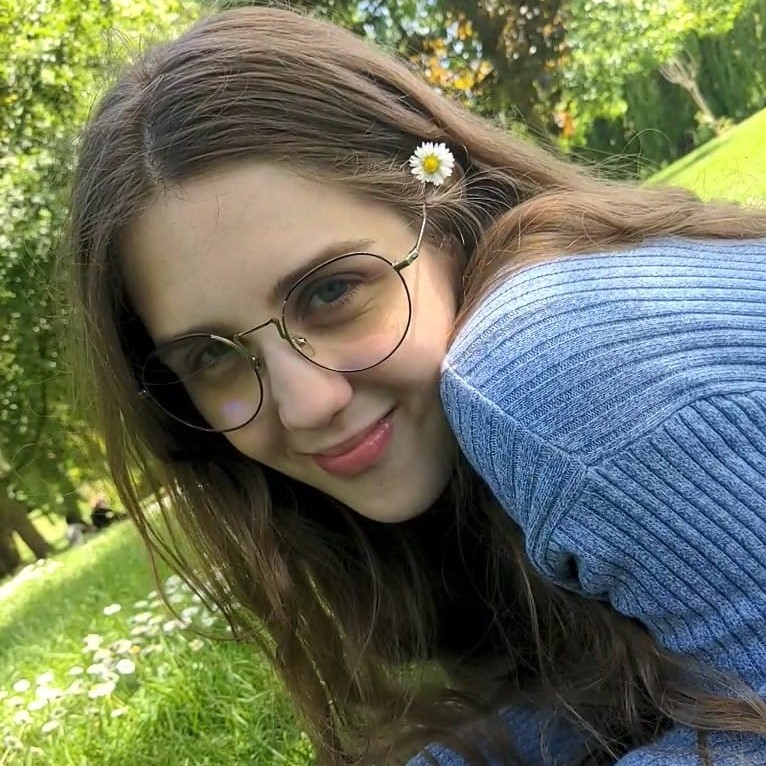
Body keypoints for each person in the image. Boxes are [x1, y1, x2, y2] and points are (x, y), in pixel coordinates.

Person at [65, 6, 766, 765]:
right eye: (211, 355)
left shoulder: (539, 361)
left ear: (444, 207)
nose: (306, 405)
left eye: (332, 291)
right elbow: (663, 684)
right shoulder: (467, 453)